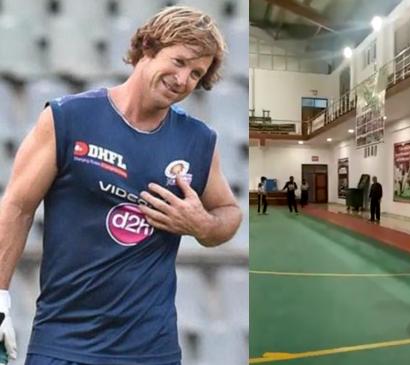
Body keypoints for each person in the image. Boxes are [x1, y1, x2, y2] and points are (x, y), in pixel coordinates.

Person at [0, 6, 243, 364]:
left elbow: (229, 213)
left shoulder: (198, 141)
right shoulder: (69, 117)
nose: (183, 80)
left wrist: (201, 225)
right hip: (64, 343)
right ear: (147, 48)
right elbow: (17, 207)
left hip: (151, 351)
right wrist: (0, 296)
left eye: (196, 74)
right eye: (178, 62)